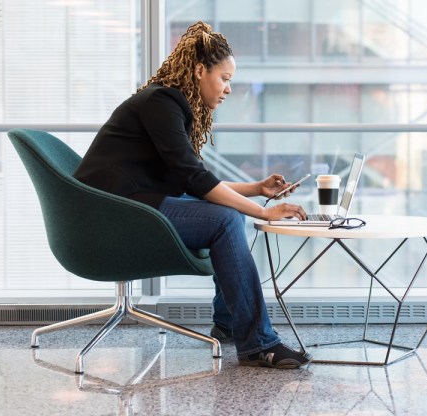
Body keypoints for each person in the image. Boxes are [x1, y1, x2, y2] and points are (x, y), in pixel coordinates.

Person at [74, 21, 312, 369]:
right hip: (111, 214)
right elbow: (195, 179)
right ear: (200, 70)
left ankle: (230, 324)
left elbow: (194, 179)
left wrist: (257, 190)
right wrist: (262, 211)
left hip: (126, 204)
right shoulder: (162, 102)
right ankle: (258, 342)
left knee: (227, 212)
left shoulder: (167, 103)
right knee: (227, 218)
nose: (229, 88)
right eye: (225, 78)